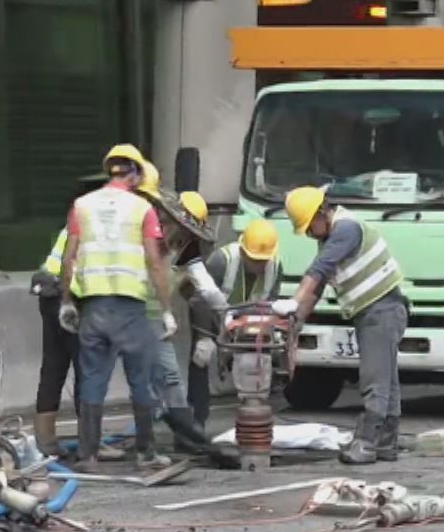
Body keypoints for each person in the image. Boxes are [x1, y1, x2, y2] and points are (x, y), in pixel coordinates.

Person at [59, 144, 172, 472]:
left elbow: (69, 256)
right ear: (135, 173)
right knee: (142, 378)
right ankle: (146, 453)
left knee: (93, 378)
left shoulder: (81, 205)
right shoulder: (141, 209)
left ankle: (88, 455)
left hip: (93, 305)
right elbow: (154, 260)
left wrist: (67, 302)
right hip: (130, 306)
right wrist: (165, 308)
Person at [276, 185, 409, 465]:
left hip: (382, 309)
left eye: (309, 226)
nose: (309, 233)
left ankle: (367, 444)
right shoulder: (331, 237)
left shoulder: (346, 229)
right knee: (387, 378)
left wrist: (292, 300)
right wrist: (295, 322)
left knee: (374, 378)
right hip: (375, 311)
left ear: (321, 212)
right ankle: (386, 442)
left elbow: (317, 272)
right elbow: (318, 287)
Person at [145, 187, 228, 463]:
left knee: (169, 379)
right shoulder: (148, 240)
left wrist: (226, 320)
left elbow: (206, 292)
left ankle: (187, 438)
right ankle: (145, 446)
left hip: (156, 319)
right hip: (131, 314)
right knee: (143, 382)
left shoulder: (185, 252)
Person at [32, 177, 107, 459]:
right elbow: (73, 265)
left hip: (47, 291)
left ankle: (45, 441)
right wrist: (70, 302)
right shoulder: (92, 224)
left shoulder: (76, 218)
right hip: (68, 295)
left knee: (53, 365)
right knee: (87, 368)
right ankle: (91, 443)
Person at [186, 220, 283, 426]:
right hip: (213, 316)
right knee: (201, 359)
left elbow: (270, 304)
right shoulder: (222, 261)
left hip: (249, 321)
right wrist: (205, 337)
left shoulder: (275, 266)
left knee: (261, 362)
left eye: (263, 261)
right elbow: (199, 298)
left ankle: (256, 415)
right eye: (254, 260)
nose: (259, 265)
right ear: (243, 250)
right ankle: (196, 422)